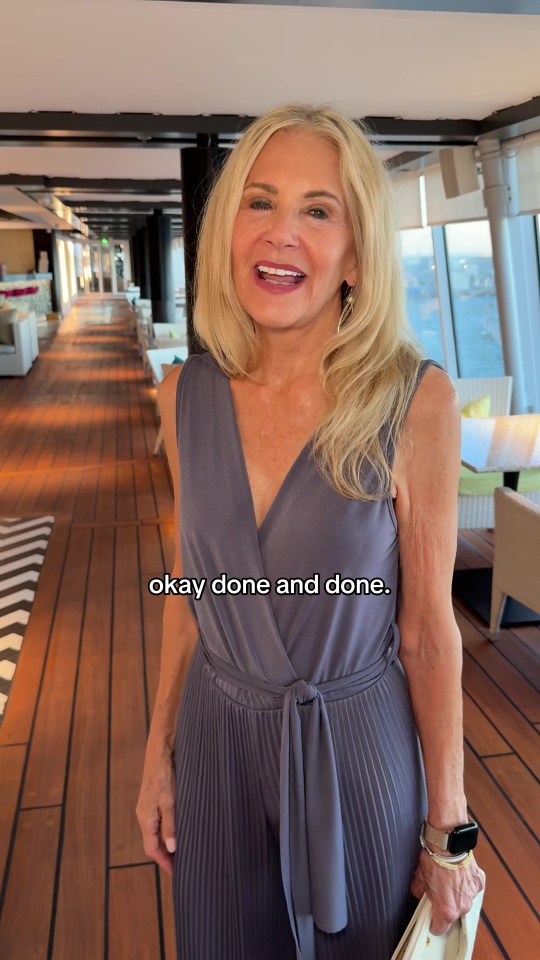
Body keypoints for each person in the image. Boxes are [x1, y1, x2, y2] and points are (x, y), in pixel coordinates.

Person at [136, 103, 485, 960]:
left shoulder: (415, 400)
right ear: (227, 231)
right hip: (216, 748)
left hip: (353, 751)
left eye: (317, 210)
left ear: (358, 253)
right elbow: (192, 591)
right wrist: (157, 752)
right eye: (260, 202)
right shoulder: (184, 396)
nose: (281, 232)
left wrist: (450, 827)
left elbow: (430, 632)